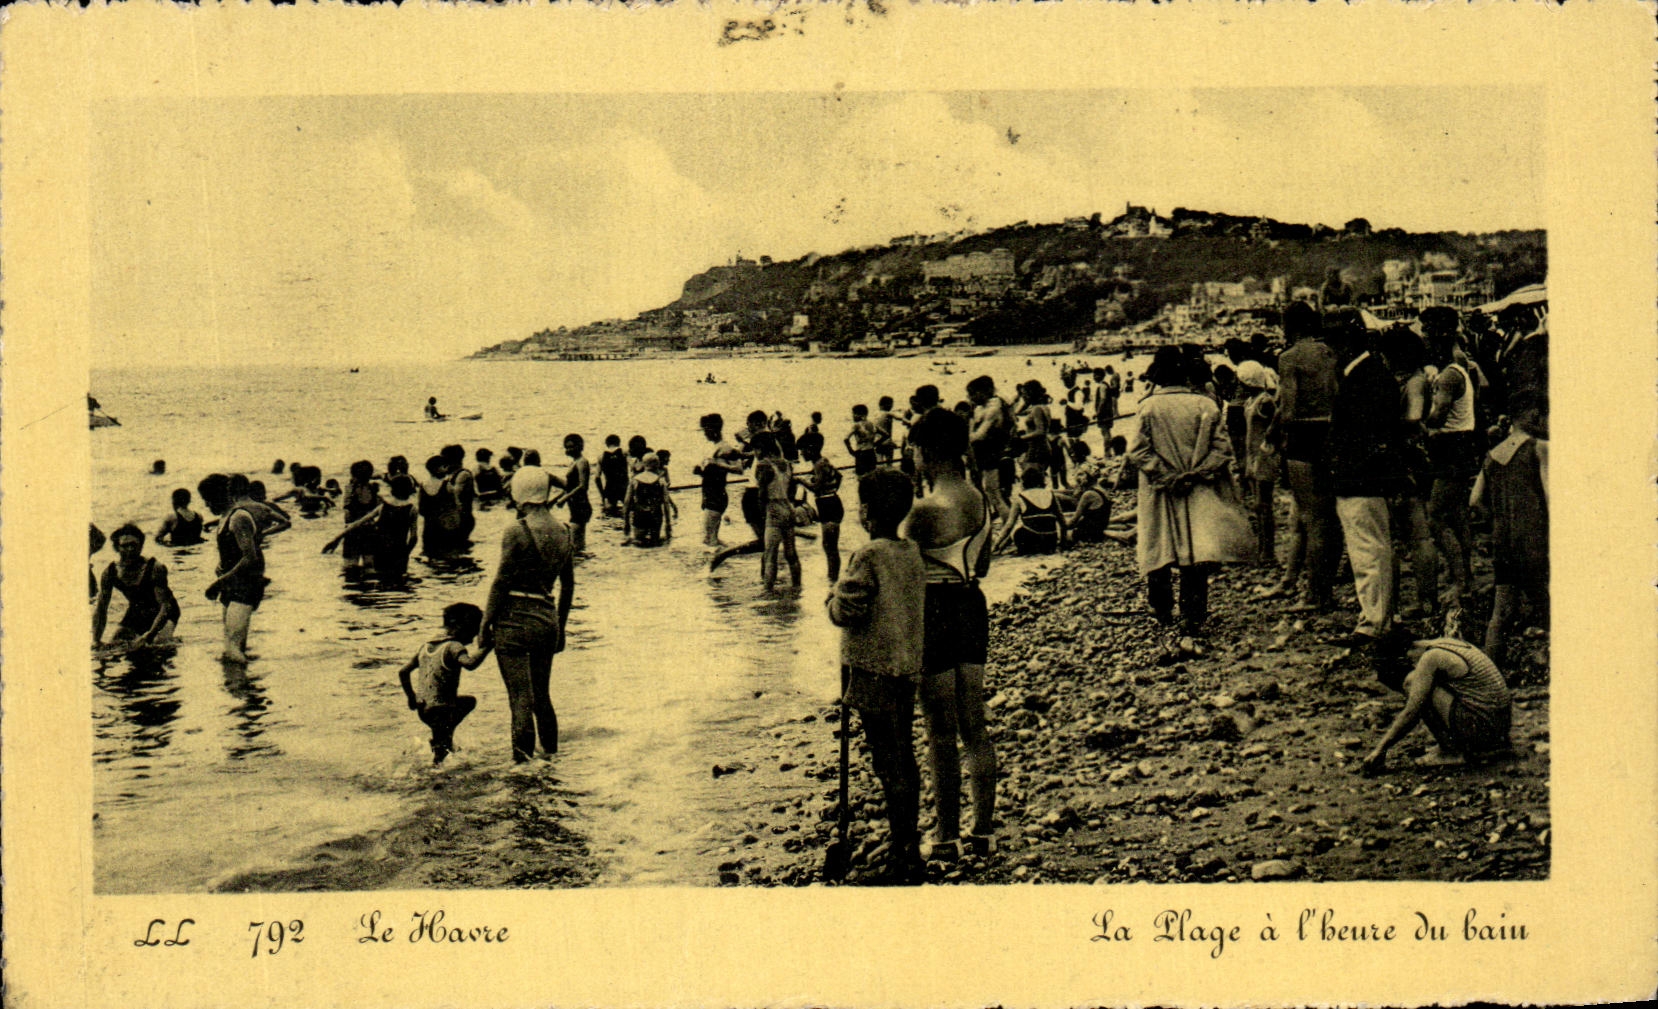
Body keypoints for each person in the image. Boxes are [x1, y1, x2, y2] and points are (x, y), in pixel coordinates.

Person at [903, 409, 997, 861]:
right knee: (974, 724)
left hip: (934, 608)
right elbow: (981, 565)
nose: (912, 455)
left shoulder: (924, 509)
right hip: (971, 604)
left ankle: (945, 838)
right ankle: (983, 832)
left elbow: (899, 568)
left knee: (939, 730)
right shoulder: (979, 497)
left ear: (928, 452)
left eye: (914, 447)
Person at [827, 468, 928, 883]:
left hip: (871, 669)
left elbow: (846, 609)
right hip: (904, 667)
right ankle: (906, 841)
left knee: (888, 759)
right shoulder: (910, 551)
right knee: (901, 753)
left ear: (865, 511)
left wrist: (831, 598)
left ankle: (904, 854)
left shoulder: (867, 555)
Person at [1127, 346, 1254, 635]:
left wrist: (1167, 476)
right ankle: (1193, 613)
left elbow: (1138, 451)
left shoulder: (1147, 407)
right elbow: (1223, 450)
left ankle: (1161, 608)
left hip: (1161, 489)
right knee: (1195, 548)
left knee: (1159, 544)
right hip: (1198, 487)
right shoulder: (1206, 405)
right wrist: (1197, 472)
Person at [478, 467, 575, 762]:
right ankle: (551, 761)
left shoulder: (516, 531)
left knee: (520, 701)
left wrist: (485, 622)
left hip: (514, 620)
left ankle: (523, 770)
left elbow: (501, 581)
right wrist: (561, 626)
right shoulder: (565, 531)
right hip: (547, 618)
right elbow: (568, 585)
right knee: (542, 698)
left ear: (521, 494)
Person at [1326, 308, 1409, 646]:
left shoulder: (1364, 378)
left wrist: (1347, 464)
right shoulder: (1372, 373)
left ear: (1344, 343)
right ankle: (1382, 616)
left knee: (1367, 550)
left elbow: (1369, 435)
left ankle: (1375, 622)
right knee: (1376, 548)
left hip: (1359, 478)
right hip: (1367, 477)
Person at [1263, 300, 1342, 611]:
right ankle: (1327, 590)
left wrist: (1275, 436)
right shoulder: (1331, 352)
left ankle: (1315, 594)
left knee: (1311, 519)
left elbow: (1290, 409)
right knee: (1333, 519)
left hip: (1304, 438)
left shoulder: (1289, 358)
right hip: (1332, 434)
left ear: (1289, 325)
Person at [1360, 635, 1512, 774]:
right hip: (1499, 727)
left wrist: (1381, 749)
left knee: (1413, 684)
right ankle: (1460, 745)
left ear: (1407, 653)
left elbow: (1411, 712)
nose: (1414, 665)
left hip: (1485, 728)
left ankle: (1450, 752)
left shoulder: (1431, 657)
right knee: (1425, 685)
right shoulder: (1445, 642)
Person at [1472, 417, 1548, 668]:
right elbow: (1551, 497)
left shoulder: (1493, 455)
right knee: (1549, 605)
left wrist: (1497, 521)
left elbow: (1475, 502)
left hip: (1505, 543)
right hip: (1535, 541)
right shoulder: (1539, 447)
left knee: (1501, 614)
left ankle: (1487, 675)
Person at [1422, 307, 1479, 625]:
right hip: (1460, 445)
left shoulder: (1448, 375)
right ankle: (1464, 579)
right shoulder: (1458, 368)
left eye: (1428, 335)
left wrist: (1414, 422)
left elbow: (1437, 416)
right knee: (1457, 517)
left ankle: (1462, 583)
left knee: (1436, 517)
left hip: (1450, 447)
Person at [1379, 324, 1439, 622]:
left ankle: (1418, 603)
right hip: (1415, 458)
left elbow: (1414, 416)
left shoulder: (1413, 382)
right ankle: (1425, 601)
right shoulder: (1416, 378)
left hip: (1406, 459)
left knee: (1412, 536)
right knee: (1417, 536)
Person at [397, 602, 491, 765]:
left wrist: (411, 698)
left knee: (467, 702)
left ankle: (440, 741)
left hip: (424, 708)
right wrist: (487, 648)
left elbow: (403, 672)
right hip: (442, 708)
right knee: (441, 756)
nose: (471, 640)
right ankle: (437, 768)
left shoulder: (426, 646)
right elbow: (469, 664)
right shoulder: (454, 646)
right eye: (472, 633)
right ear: (459, 626)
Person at [199, 473, 267, 663]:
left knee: (232, 647)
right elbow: (232, 553)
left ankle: (241, 686)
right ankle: (244, 686)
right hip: (232, 584)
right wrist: (221, 567)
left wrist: (220, 581)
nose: (206, 505)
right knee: (234, 645)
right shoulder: (225, 517)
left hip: (246, 585)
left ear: (222, 496)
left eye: (208, 500)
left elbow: (250, 557)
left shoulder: (239, 517)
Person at [92, 524, 181, 651]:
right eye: (125, 546)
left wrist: (149, 635)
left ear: (141, 546)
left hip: (165, 611)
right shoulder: (110, 572)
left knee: (156, 647)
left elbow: (165, 606)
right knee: (113, 647)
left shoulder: (155, 568)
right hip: (136, 610)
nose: (130, 550)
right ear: (117, 547)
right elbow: (101, 608)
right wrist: (96, 640)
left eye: (134, 545)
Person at [754, 433, 802, 591]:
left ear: (761, 448)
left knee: (770, 555)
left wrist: (762, 516)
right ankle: (797, 587)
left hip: (773, 509)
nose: (755, 453)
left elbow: (762, 494)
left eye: (756, 449)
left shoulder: (763, 465)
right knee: (791, 553)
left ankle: (768, 591)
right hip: (788, 507)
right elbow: (792, 489)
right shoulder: (787, 464)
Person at [965, 375, 1013, 527]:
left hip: (993, 455)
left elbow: (979, 436)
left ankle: (1008, 528)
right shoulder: (981, 407)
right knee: (984, 493)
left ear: (984, 392)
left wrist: (963, 436)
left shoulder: (993, 409)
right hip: (983, 455)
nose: (970, 397)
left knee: (994, 495)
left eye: (973, 393)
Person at [695, 414, 744, 548]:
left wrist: (718, 465)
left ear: (714, 429)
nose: (704, 433)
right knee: (711, 538)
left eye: (706, 430)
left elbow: (739, 469)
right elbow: (712, 472)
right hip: (709, 493)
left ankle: (718, 562)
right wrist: (701, 472)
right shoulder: (713, 447)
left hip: (717, 495)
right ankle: (730, 554)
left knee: (708, 539)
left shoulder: (725, 447)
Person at [994, 465, 1064, 555]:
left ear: (1024, 482)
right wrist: (1063, 542)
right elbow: (1062, 522)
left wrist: (996, 544)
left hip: (1030, 540)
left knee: (1018, 528)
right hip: (1050, 540)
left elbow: (1009, 526)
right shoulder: (1050, 494)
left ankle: (1000, 548)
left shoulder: (1020, 497)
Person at [802, 437, 844, 583]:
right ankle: (832, 577)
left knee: (829, 546)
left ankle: (833, 579)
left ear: (811, 450)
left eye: (803, 450)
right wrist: (832, 489)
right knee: (830, 545)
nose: (801, 453)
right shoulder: (823, 461)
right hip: (831, 501)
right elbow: (839, 476)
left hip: (828, 504)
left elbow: (816, 488)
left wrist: (801, 481)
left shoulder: (819, 465)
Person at [418, 455, 465, 557]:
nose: (447, 468)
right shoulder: (447, 485)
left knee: (430, 554)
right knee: (447, 553)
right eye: (444, 466)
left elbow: (421, 509)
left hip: (429, 527)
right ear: (438, 469)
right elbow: (457, 506)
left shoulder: (423, 485)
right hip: (446, 526)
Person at [340, 460, 382, 572]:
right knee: (369, 566)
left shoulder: (350, 490)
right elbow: (380, 510)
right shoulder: (374, 489)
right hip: (370, 530)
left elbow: (347, 515)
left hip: (352, 532)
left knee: (349, 567)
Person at [554, 434, 593, 554]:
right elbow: (568, 486)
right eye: (566, 447)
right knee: (577, 543)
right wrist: (554, 500)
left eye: (571, 447)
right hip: (575, 506)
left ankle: (581, 565)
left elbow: (583, 486)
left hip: (581, 506)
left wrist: (564, 498)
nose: (568, 450)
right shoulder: (574, 462)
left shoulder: (582, 462)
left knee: (575, 545)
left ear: (580, 446)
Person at [624, 453, 669, 547]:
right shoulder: (661, 481)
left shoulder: (635, 480)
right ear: (657, 464)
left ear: (644, 464)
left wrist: (626, 522)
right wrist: (668, 523)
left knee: (638, 543)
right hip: (655, 516)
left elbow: (627, 502)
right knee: (655, 544)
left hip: (640, 515)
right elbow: (666, 503)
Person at [1063, 462, 1112, 544]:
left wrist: (1062, 526)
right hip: (1099, 528)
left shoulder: (1088, 494)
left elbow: (1073, 521)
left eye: (1081, 475)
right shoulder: (1102, 490)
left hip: (1089, 533)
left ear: (1088, 476)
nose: (1077, 478)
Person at [597, 435, 629, 517]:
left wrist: (602, 494)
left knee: (609, 513)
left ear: (606, 444)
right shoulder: (624, 453)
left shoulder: (601, 456)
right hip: (624, 487)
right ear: (619, 443)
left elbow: (597, 477)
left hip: (610, 488)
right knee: (628, 512)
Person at [845, 404, 880, 476]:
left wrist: (851, 451)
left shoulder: (856, 425)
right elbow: (886, 434)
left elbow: (846, 438)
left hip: (861, 454)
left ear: (861, 414)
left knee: (861, 478)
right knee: (872, 476)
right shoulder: (872, 424)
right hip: (871, 452)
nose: (853, 416)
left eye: (854, 414)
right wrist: (875, 444)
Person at [872, 396, 899, 466]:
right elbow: (900, 418)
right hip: (887, 441)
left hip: (877, 441)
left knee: (879, 463)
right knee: (889, 464)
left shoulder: (875, 414)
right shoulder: (888, 413)